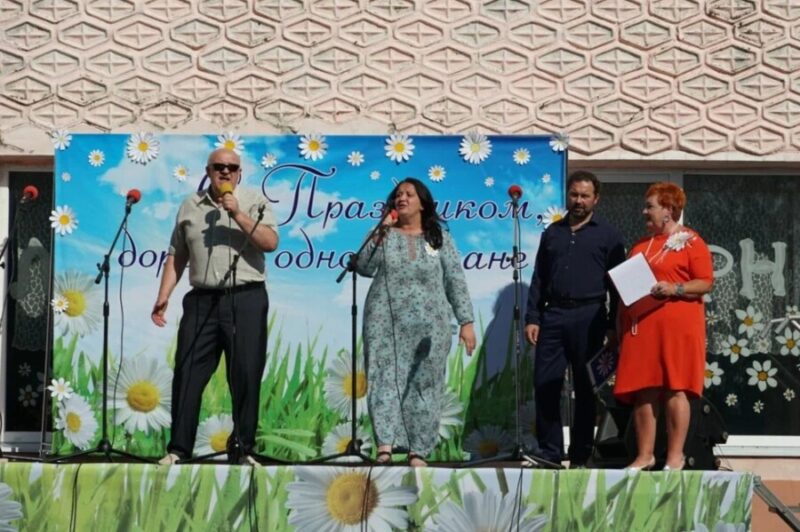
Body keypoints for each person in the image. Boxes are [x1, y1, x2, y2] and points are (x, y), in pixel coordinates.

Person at [151, 148, 279, 465]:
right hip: (202, 300)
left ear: (240, 173)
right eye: (218, 166)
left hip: (246, 298)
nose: (225, 172)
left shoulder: (254, 201)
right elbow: (177, 254)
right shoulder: (190, 205)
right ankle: (178, 450)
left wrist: (237, 214)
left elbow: (270, 243)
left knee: (246, 374)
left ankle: (243, 449)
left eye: (231, 167)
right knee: (187, 373)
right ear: (207, 171)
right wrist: (164, 295)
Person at [356, 178, 476, 467]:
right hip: (384, 321)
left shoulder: (439, 238)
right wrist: (381, 232)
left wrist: (466, 322)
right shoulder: (381, 233)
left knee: (426, 382)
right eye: (398, 194)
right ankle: (385, 446)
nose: (402, 198)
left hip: (430, 325)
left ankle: (417, 450)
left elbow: (455, 280)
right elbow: (363, 267)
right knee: (383, 377)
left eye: (409, 194)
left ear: (423, 203)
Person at [524, 171, 626, 468]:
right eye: (574, 195)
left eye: (585, 196)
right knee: (545, 384)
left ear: (596, 199)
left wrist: (613, 325)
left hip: (590, 317)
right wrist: (533, 317)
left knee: (585, 388)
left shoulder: (608, 236)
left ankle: (581, 455)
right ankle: (550, 453)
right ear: (567, 196)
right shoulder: (552, 233)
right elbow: (539, 278)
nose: (578, 201)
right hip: (553, 315)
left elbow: (617, 286)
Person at [614, 182, 713, 471]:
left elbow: (705, 282)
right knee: (643, 389)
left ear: (668, 210)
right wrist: (620, 325)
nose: (644, 212)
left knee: (675, 387)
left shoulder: (692, 241)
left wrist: (675, 288)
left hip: (677, 327)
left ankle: (675, 456)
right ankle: (645, 456)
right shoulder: (639, 246)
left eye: (650, 207)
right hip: (642, 328)